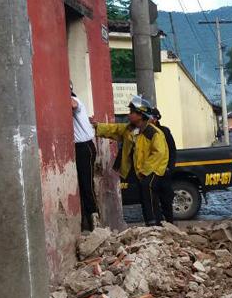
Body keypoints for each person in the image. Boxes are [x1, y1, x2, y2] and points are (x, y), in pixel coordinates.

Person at [94, 96, 168, 226]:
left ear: (140, 114)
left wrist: (144, 171)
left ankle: (153, 224)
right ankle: (155, 223)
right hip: (141, 171)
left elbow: (159, 153)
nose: (129, 115)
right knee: (146, 196)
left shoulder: (153, 133)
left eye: (132, 112)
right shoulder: (130, 129)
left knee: (147, 192)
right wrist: (97, 127)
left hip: (153, 170)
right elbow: (115, 129)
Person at [71, 85, 98, 231]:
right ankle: (86, 222)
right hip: (79, 148)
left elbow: (73, 105)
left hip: (84, 147)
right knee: (82, 186)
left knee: (87, 186)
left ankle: (95, 220)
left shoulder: (75, 100)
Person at [151, 108, 177, 224]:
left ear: (155, 119)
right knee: (153, 202)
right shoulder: (143, 133)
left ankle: (170, 224)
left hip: (164, 173)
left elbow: (172, 151)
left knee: (166, 201)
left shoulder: (164, 132)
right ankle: (158, 226)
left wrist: (169, 168)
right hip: (151, 174)